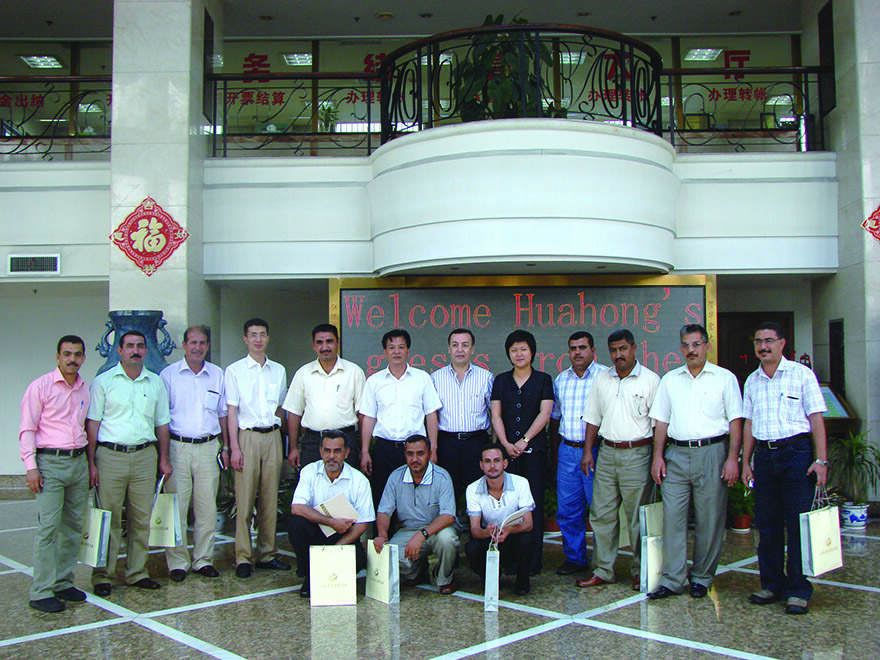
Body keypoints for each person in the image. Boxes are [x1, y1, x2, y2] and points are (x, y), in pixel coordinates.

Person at [647, 324, 743, 600]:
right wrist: (657, 457)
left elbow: (736, 421)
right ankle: (672, 579)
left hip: (712, 452)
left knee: (709, 519)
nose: (691, 350)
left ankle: (701, 577)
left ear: (707, 346)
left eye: (696, 344)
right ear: (681, 348)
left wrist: (732, 459)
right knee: (672, 520)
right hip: (676, 455)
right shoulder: (670, 380)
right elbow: (661, 421)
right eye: (686, 345)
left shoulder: (724, 378)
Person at [741, 321, 827, 615]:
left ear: (781, 343)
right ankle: (771, 584)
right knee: (767, 524)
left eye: (768, 341)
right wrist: (746, 462)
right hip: (764, 457)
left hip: (795, 454)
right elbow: (749, 423)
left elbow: (816, 419)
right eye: (758, 342)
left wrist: (821, 460)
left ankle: (798, 590)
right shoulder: (752, 381)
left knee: (797, 524)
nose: (763, 347)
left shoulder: (801, 375)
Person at [86, 330, 172, 597]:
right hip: (110, 456)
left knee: (141, 518)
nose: (135, 350)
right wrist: (91, 462)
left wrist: (164, 459)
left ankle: (137, 572)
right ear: (120, 350)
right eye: (130, 346)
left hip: (145, 457)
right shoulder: (103, 382)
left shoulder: (155, 382)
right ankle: (103, 575)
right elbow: (92, 424)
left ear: (145, 350)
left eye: (140, 346)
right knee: (108, 519)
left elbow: (162, 424)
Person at [577, 328, 659, 592]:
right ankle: (603, 569)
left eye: (623, 349)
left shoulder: (651, 380)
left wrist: (657, 458)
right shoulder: (602, 379)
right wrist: (587, 452)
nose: (618, 354)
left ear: (634, 348)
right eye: (613, 350)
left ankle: (641, 571)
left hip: (638, 454)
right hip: (607, 453)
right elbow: (593, 417)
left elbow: (659, 425)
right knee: (601, 514)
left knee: (637, 517)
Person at [19, 335, 90, 612]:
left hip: (78, 462)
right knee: (48, 528)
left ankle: (63, 582)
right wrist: (31, 467)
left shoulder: (84, 388)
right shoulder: (40, 387)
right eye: (67, 354)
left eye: (77, 354)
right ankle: (41, 591)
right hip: (50, 463)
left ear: (83, 357)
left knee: (73, 526)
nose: (72, 359)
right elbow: (27, 429)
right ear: (58, 357)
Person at [159, 325, 228, 582]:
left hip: (209, 447)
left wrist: (227, 446)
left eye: (202, 343)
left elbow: (222, 414)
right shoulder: (169, 375)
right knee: (176, 507)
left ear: (207, 346)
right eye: (193, 343)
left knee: (207, 507)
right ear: (184, 345)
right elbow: (161, 418)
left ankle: (203, 559)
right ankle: (177, 562)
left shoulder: (217, 375)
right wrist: (163, 456)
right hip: (177, 447)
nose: (197, 347)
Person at [225, 317, 290, 578]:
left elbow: (281, 408)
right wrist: (234, 448)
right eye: (253, 335)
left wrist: (283, 441)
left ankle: (267, 553)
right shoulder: (235, 371)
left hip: (272, 436)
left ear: (268, 337)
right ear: (245, 339)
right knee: (245, 499)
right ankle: (243, 556)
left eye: (262, 334)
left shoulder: (279, 370)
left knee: (270, 498)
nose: (258, 339)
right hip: (247, 438)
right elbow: (232, 411)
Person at [490, 329, 554, 574]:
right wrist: (506, 444)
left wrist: (525, 440)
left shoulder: (543, 380)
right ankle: (508, 560)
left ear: (532, 352)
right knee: (507, 506)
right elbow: (496, 415)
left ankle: (532, 562)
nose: (519, 354)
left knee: (532, 505)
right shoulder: (501, 380)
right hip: (506, 455)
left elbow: (545, 413)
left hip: (534, 453)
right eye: (514, 350)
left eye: (523, 349)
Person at [287, 430, 375, 598]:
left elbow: (363, 523)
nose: (331, 456)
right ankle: (310, 576)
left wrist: (335, 550)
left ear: (346, 453)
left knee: (358, 560)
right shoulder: (309, 471)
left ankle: (330, 572)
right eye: (327, 451)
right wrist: (331, 522)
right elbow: (297, 507)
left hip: (344, 536)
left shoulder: (359, 480)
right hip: (317, 532)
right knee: (296, 524)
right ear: (321, 451)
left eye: (337, 451)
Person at [359, 329, 442, 506]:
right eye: (392, 347)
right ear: (385, 352)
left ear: (408, 350)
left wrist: (433, 449)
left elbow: (431, 415)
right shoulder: (374, 381)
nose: (396, 352)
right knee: (383, 499)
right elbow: (368, 418)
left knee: (416, 499)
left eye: (401, 347)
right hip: (384, 449)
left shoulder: (422, 378)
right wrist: (365, 451)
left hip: (415, 450)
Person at [549, 331, 605, 576]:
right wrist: (555, 455)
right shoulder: (561, 379)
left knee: (600, 509)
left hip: (598, 450)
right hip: (568, 450)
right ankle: (575, 558)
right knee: (568, 509)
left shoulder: (605, 377)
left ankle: (603, 562)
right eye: (573, 348)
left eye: (582, 347)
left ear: (593, 350)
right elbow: (555, 418)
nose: (577, 352)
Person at [373, 435, 459, 594]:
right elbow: (384, 511)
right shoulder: (395, 476)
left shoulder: (442, 477)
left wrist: (422, 535)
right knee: (388, 556)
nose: (415, 459)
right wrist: (382, 535)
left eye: (420, 453)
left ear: (429, 453)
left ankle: (443, 577)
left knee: (448, 540)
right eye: (410, 454)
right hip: (408, 531)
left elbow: (448, 516)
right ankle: (416, 571)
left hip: (437, 531)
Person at [283, 323, 365, 469]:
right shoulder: (303, 373)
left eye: (329, 341)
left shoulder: (354, 372)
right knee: (312, 482)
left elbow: (363, 414)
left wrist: (364, 450)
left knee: (346, 482)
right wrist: (293, 448)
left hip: (345, 440)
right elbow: (294, 412)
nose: (325, 347)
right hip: (313, 442)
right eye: (319, 342)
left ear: (337, 343)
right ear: (314, 345)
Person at [430, 328, 494, 512]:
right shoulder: (435, 378)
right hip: (447, 443)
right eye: (455, 345)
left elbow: (495, 414)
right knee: (448, 489)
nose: (460, 349)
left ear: (472, 349)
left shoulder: (486, 377)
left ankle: (477, 527)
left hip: (477, 441)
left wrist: (494, 446)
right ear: (448, 349)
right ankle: (449, 527)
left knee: (478, 490)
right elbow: (432, 415)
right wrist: (433, 448)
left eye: (465, 345)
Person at [465, 444, 535, 595]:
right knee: (472, 548)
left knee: (528, 540)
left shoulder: (521, 483)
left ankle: (522, 581)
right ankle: (490, 579)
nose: (492, 466)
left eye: (497, 461)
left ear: (505, 463)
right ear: (481, 465)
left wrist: (509, 530)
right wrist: (487, 532)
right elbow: (475, 529)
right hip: (490, 538)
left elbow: (528, 523)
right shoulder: (472, 489)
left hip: (513, 535)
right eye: (487, 461)